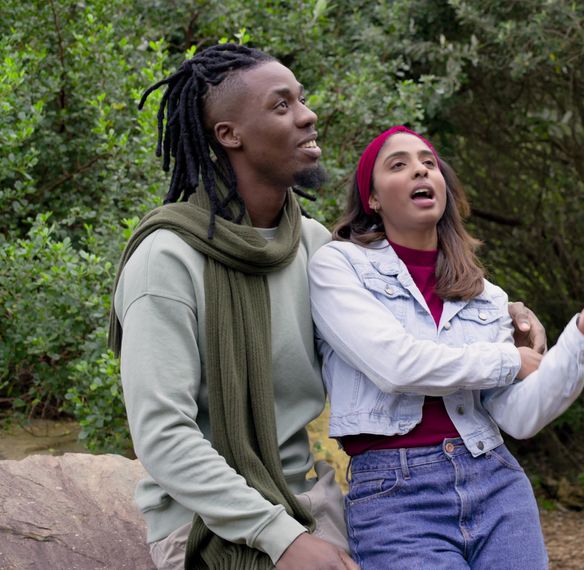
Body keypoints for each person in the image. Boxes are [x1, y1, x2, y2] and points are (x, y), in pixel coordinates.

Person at [109, 46, 546, 570]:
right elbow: (162, 434)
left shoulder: (316, 248)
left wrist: (507, 317)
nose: (307, 114)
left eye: (302, 99)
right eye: (281, 105)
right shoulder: (167, 261)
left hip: (310, 501)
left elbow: (411, 310)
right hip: (206, 519)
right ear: (230, 134)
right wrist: (281, 539)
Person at [308, 126, 584, 569]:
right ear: (371, 198)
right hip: (396, 497)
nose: (419, 170)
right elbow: (396, 366)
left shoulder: (486, 296)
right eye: (398, 164)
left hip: (496, 485)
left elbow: (521, 417)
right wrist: (511, 359)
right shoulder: (338, 265)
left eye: (428, 162)